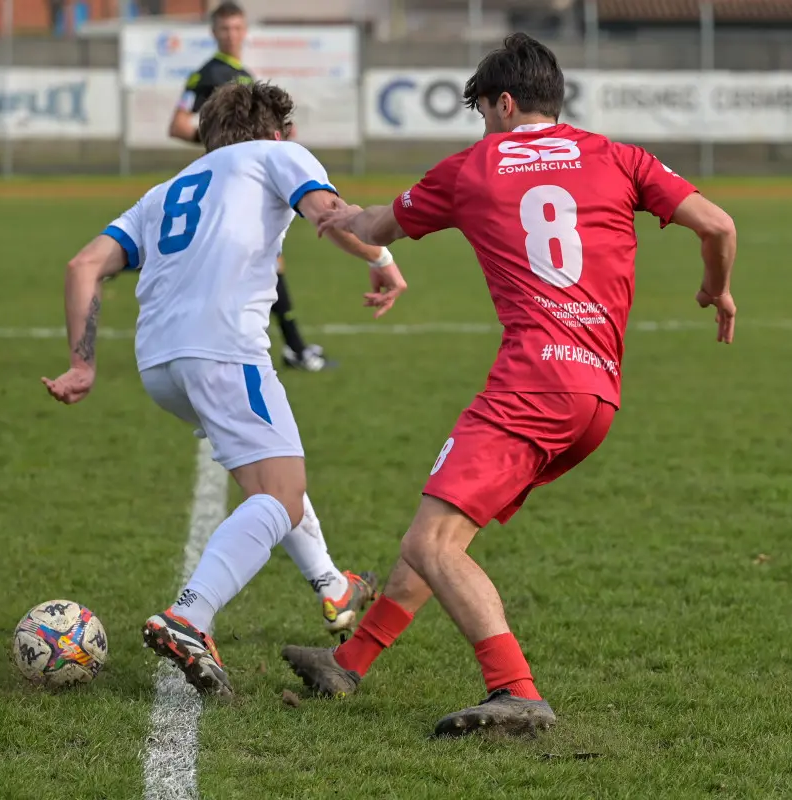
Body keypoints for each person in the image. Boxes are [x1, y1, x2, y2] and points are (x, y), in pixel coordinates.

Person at [280, 33, 737, 737]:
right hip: (596, 396)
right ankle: (350, 662)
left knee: (435, 543)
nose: (483, 124)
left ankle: (516, 690)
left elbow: (378, 225)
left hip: (532, 386)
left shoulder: (474, 165)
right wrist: (715, 289)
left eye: (484, 111)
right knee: (434, 530)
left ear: (503, 101)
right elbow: (718, 224)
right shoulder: (619, 156)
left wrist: (334, 214)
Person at [42, 81, 408, 696]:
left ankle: (332, 586)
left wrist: (82, 366)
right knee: (282, 495)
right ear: (274, 130)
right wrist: (382, 259)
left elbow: (83, 267)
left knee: (269, 477)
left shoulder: (162, 193)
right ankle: (191, 615)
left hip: (160, 365)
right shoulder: (275, 155)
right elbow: (327, 213)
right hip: (225, 352)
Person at [169, 1, 334, 372]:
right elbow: (177, 125)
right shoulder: (208, 74)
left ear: (245, 31)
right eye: (224, 29)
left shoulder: (242, 73)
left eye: (237, 28)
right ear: (214, 32)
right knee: (258, 259)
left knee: (269, 259)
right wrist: (226, 141)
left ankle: (291, 347)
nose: (232, 35)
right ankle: (287, 347)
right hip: (233, 180)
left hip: (250, 177)